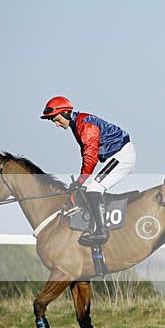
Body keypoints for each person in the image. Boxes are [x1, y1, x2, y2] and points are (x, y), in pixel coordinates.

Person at [40, 96, 136, 246]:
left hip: (122, 156)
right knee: (92, 187)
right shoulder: (77, 124)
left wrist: (80, 180)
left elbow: (90, 157)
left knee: (94, 188)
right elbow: (87, 154)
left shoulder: (85, 125)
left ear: (65, 112)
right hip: (116, 155)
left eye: (57, 119)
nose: (57, 125)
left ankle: (102, 232)